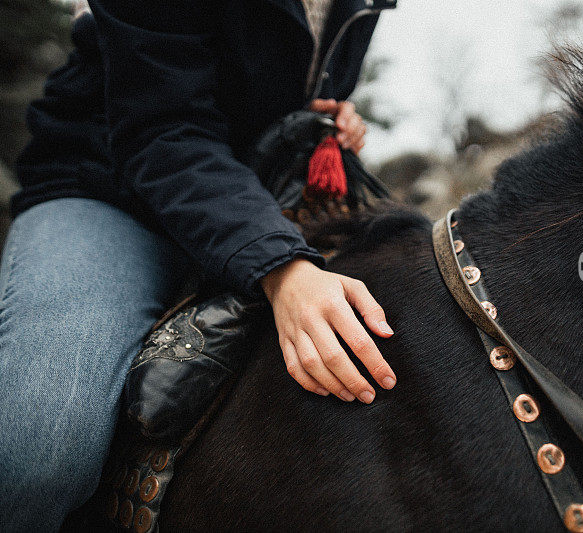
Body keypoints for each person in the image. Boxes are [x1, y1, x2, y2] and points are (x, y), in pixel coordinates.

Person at [0, 0, 398, 530]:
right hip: (106, 190)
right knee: (41, 452)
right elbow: (162, 131)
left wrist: (317, 121)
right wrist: (284, 269)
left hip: (248, 206)